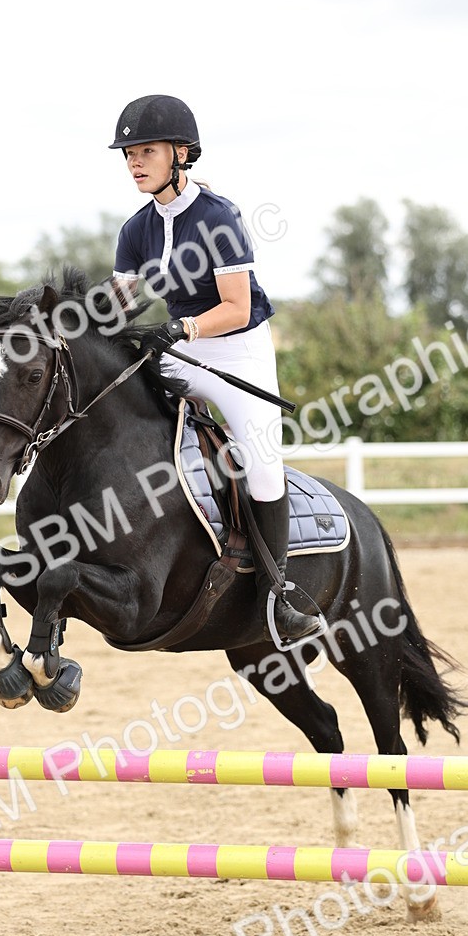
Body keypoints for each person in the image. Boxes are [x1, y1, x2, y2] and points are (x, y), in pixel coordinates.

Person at [109, 93, 322, 645]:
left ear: (181, 153)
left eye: (146, 151)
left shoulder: (218, 216)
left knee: (261, 460)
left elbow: (238, 307)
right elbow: (120, 304)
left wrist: (181, 330)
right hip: (185, 348)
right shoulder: (135, 229)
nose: (134, 161)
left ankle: (279, 599)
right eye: (129, 153)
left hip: (237, 348)